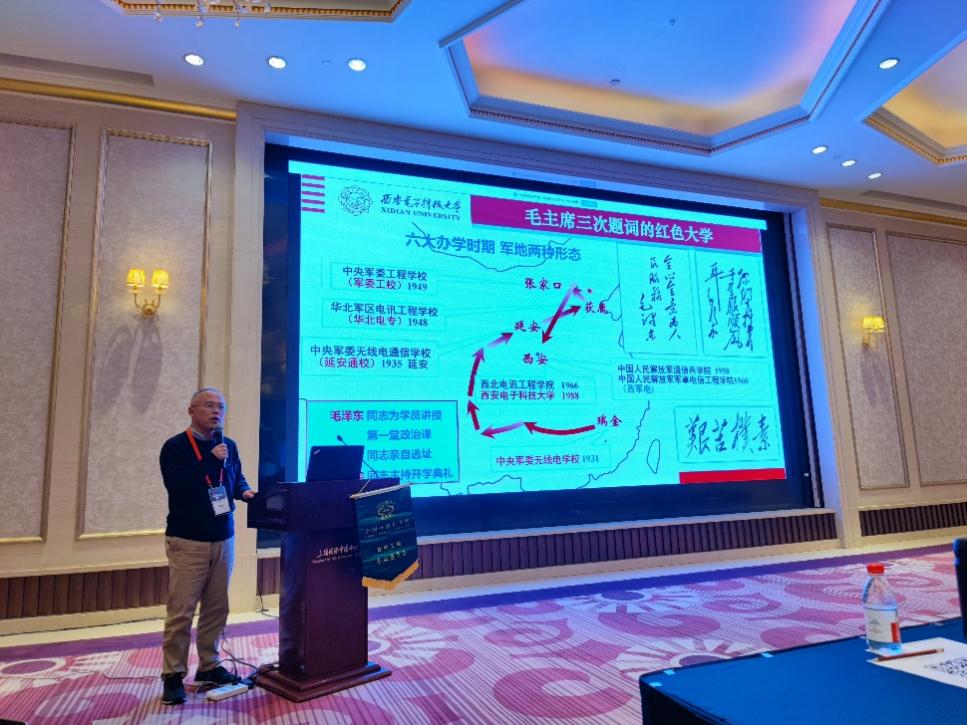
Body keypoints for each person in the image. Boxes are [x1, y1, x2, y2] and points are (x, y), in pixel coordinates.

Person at [159, 387, 256, 706]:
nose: (216, 412)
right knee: (181, 611)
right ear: (191, 411)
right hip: (188, 540)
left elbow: (236, 480)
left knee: (217, 607)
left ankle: (209, 666)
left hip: (224, 537)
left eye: (221, 407)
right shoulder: (175, 447)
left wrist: (246, 492)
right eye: (209, 406)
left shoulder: (229, 446)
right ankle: (173, 674)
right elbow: (178, 486)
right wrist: (208, 460)